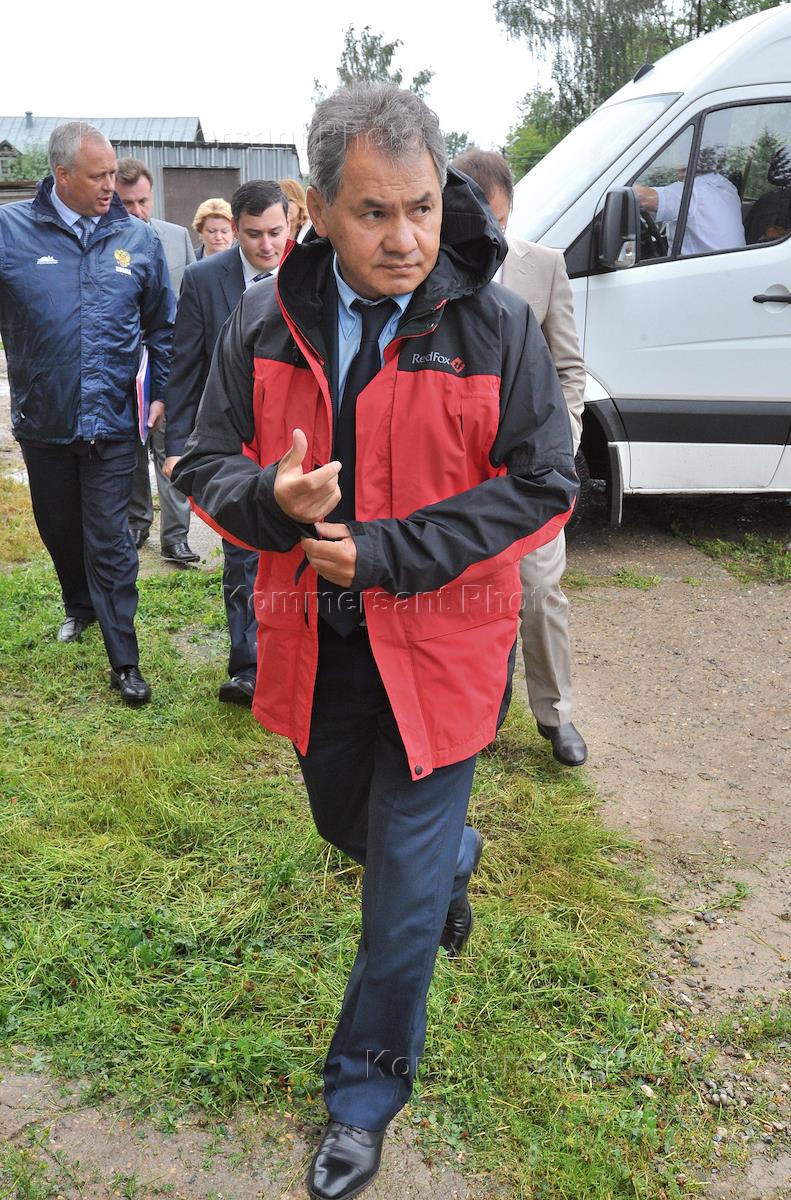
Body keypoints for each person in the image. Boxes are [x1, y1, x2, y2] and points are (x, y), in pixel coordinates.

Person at [173, 83, 577, 1200]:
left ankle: (361, 1099)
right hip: (314, 643)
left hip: (443, 654)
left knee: (395, 909)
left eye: (422, 208)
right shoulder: (263, 319)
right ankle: (452, 857)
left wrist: (395, 551)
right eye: (373, 214)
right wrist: (270, 501)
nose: (406, 239)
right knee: (344, 825)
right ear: (315, 210)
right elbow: (201, 459)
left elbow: (546, 480)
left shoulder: (494, 324)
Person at [0, 122, 174, 705]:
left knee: (110, 540)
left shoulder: (137, 238)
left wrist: (160, 392)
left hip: (114, 421)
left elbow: (164, 327)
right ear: (62, 175)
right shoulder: (9, 231)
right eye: (98, 176)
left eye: (113, 173)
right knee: (58, 527)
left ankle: (125, 660)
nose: (110, 186)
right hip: (43, 418)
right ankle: (79, 605)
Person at [453, 149, 588, 767]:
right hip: (461, 473)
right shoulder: (431, 269)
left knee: (539, 590)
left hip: (532, 471)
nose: (491, 235)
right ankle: (476, 707)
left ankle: (555, 714)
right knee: (464, 592)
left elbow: (569, 370)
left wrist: (561, 445)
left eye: (500, 222)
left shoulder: (546, 267)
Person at [163, 181, 290, 707]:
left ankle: (295, 658)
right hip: (235, 442)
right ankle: (248, 667)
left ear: (291, 224)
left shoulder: (312, 273)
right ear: (234, 229)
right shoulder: (204, 279)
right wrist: (177, 445)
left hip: (293, 440)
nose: (267, 245)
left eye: (276, 232)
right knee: (242, 553)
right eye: (255, 234)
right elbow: (186, 364)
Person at [115, 157, 199, 566]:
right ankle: (137, 522)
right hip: (125, 368)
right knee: (133, 446)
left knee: (172, 448)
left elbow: (194, 299)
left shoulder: (177, 237)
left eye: (143, 201)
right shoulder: (104, 243)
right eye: (127, 203)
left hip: (172, 364)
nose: (137, 211)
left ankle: (176, 536)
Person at [633, 169, 746, 255]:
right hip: (730, 269)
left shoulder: (693, 191)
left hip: (700, 274)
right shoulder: (726, 187)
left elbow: (639, 197)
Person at [279, 176, 311, 241]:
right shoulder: (272, 229)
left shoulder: (312, 230)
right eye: (280, 201)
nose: (285, 205)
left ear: (299, 201)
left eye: (289, 200)